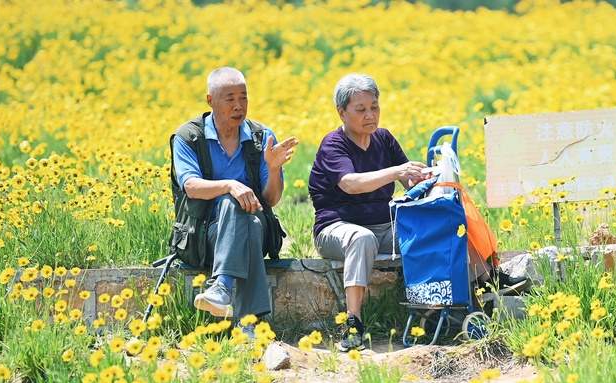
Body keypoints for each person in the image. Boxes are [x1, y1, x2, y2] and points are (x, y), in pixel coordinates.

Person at [171, 66, 298, 336]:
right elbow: (191, 187)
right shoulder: (188, 137)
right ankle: (249, 323)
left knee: (248, 218)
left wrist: (274, 169)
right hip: (204, 235)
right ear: (210, 101)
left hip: (260, 230)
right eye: (230, 99)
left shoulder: (261, 137)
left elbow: (271, 199)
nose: (238, 105)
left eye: (244, 97)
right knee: (239, 211)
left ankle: (222, 287)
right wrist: (231, 185)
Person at [308, 73, 428, 351]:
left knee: (433, 230)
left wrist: (424, 175)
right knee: (361, 239)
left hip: (382, 227)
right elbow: (350, 184)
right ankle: (353, 325)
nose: (370, 115)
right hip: (336, 229)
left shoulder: (383, 139)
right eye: (360, 109)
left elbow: (406, 180)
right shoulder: (333, 144)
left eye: (374, 107)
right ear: (342, 113)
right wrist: (397, 171)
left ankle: (454, 300)